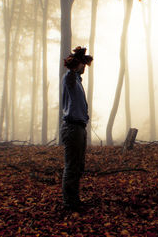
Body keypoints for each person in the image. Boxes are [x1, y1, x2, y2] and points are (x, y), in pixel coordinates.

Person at [60, 46, 93, 211]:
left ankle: (74, 199)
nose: (84, 68)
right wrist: (76, 60)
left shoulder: (78, 82)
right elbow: (71, 74)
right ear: (77, 64)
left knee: (78, 166)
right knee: (72, 165)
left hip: (79, 127)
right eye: (82, 64)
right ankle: (69, 203)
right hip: (72, 127)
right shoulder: (70, 79)